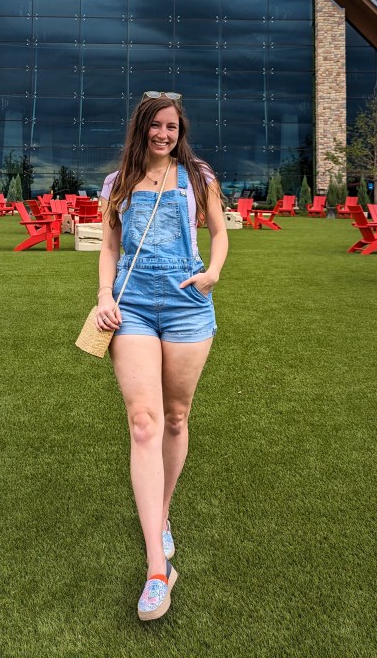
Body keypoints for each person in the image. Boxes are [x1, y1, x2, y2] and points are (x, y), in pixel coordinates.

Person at [95, 91, 228, 621]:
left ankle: (163, 515)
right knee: (144, 423)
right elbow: (108, 245)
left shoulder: (199, 177)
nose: (163, 134)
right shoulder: (117, 181)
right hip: (131, 305)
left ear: (180, 130)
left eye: (172, 126)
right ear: (142, 128)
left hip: (187, 303)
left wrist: (213, 272)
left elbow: (218, 234)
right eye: (155, 126)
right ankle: (157, 566)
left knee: (175, 417)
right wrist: (105, 295)